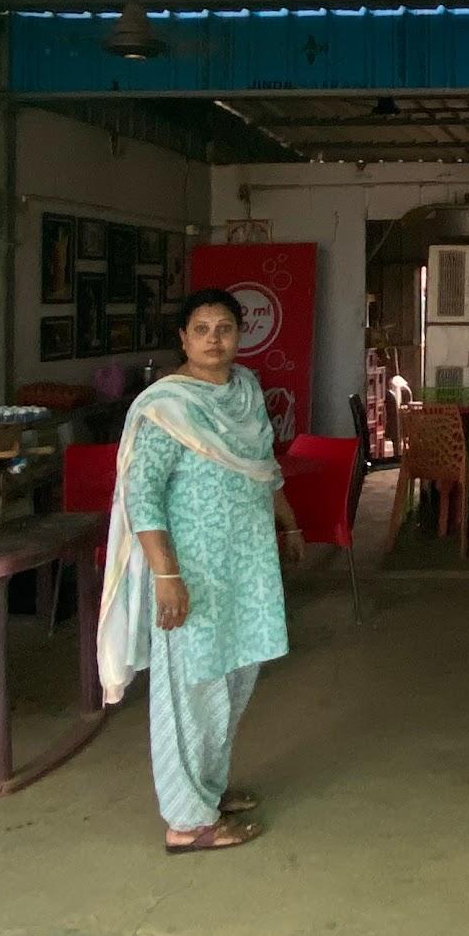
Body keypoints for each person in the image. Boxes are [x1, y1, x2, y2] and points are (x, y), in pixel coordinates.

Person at [96, 288, 302, 854]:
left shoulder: (245, 390)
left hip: (247, 563)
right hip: (194, 572)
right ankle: (187, 823)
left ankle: (206, 787)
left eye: (225, 328)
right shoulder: (165, 406)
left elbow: (263, 464)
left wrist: (290, 522)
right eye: (202, 328)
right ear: (183, 338)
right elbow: (143, 494)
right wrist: (166, 575)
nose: (214, 338)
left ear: (240, 335)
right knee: (192, 687)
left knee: (236, 675)